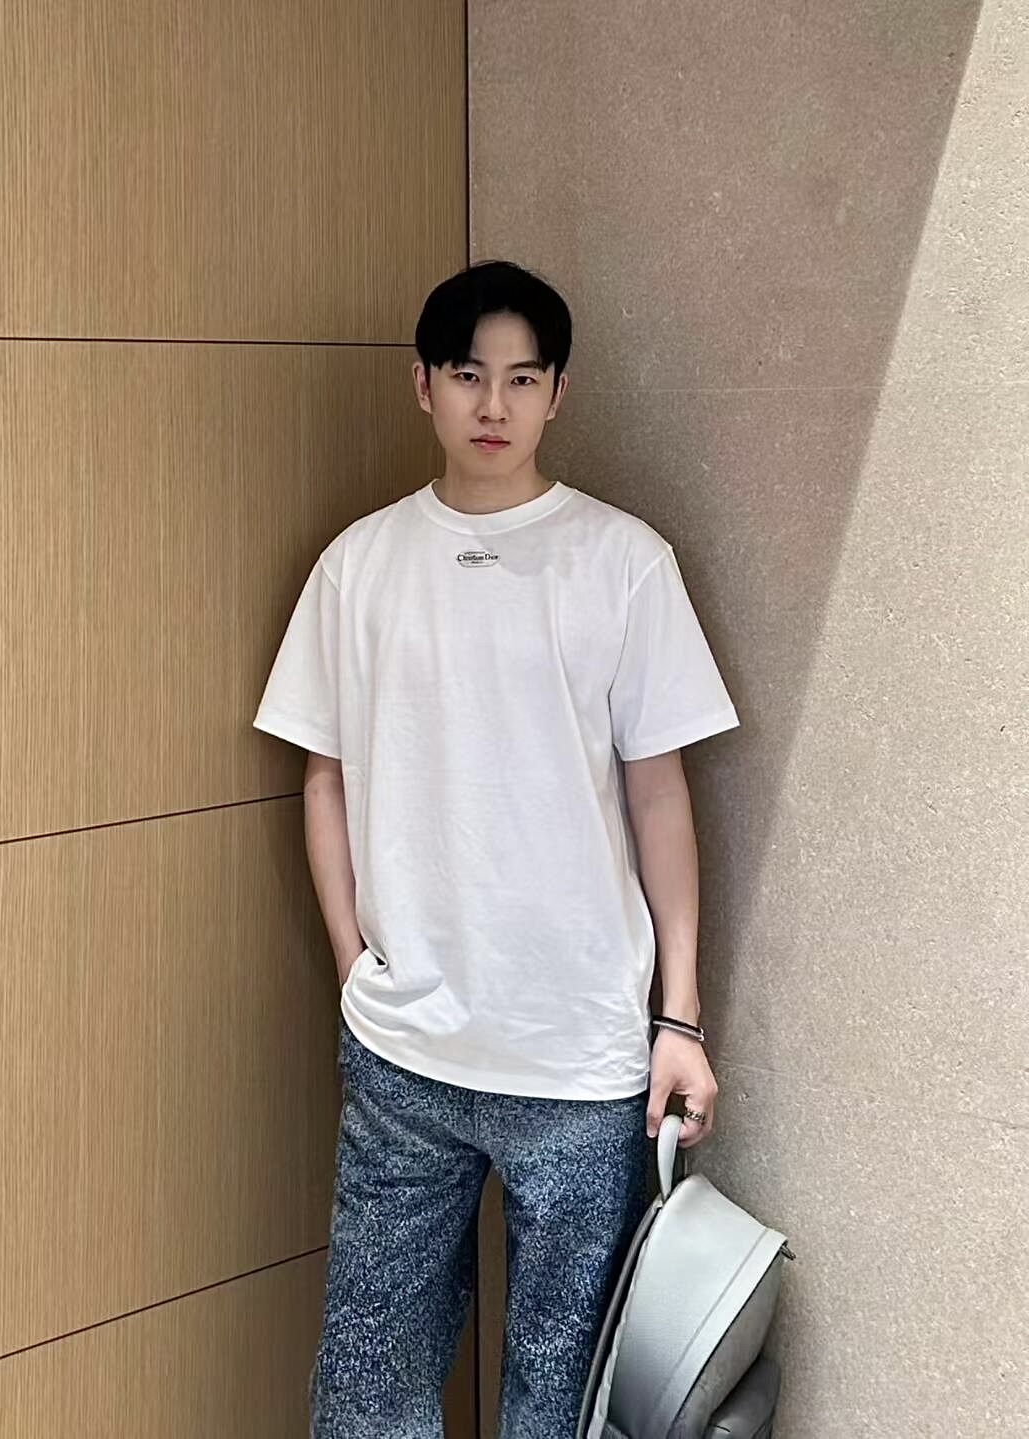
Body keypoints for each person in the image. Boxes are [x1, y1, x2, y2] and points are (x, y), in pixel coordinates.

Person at [253, 260, 738, 1439]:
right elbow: (324, 774)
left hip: (582, 1055)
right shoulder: (359, 564)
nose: (493, 404)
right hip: (403, 1049)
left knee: (559, 1405)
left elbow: (661, 796)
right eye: (469, 374)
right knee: (365, 1389)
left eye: (523, 378)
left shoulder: (624, 560)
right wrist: (352, 961)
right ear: (423, 384)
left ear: (558, 393)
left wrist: (679, 1018)